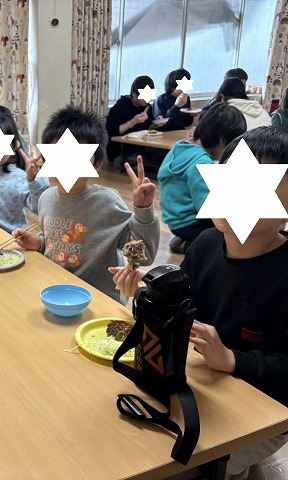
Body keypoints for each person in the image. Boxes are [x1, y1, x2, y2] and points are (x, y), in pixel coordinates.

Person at [110, 126, 288, 480]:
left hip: (266, 410)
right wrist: (152, 292)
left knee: (186, 466)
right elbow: (182, 310)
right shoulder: (205, 244)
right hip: (201, 384)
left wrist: (233, 359)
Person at [14, 105, 160, 304]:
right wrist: (40, 243)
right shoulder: (46, 198)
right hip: (55, 290)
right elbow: (58, 240)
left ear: (97, 164)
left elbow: (144, 255)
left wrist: (143, 211)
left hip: (98, 299)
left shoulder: (106, 202)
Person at [158, 103, 246, 253]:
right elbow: (208, 207)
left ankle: (189, 240)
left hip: (175, 220)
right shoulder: (202, 163)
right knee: (233, 233)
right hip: (189, 223)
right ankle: (192, 246)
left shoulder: (180, 147)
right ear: (222, 141)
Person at [106, 75, 168, 170]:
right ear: (134, 94)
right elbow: (112, 133)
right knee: (153, 161)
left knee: (166, 155)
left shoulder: (147, 107)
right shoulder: (119, 107)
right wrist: (132, 122)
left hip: (142, 147)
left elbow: (147, 128)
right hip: (122, 153)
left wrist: (155, 124)